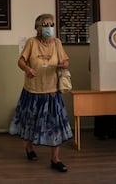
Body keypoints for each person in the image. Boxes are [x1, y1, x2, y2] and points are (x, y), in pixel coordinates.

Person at [9, 13, 73, 173]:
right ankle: (29, 148)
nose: (49, 28)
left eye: (51, 24)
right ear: (38, 27)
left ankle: (55, 159)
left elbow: (66, 61)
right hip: (32, 90)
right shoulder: (31, 42)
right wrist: (28, 69)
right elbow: (21, 61)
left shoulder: (57, 43)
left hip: (52, 92)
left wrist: (64, 65)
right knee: (30, 121)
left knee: (55, 125)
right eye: (45, 24)